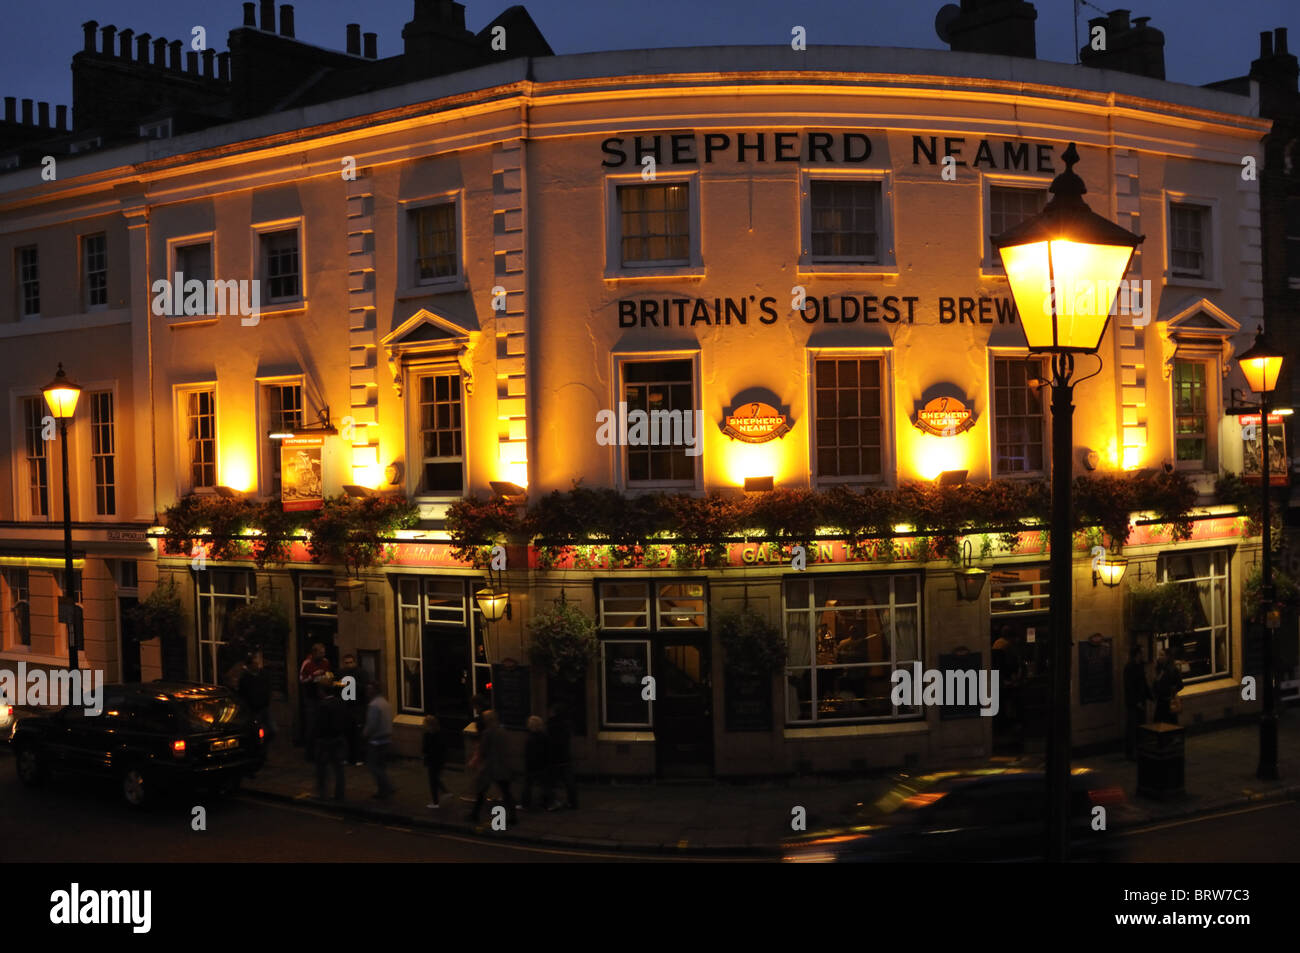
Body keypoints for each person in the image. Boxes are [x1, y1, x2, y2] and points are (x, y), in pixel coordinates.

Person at [468, 710, 516, 825]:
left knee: (481, 791)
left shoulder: (487, 733)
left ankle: (474, 815)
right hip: (503, 766)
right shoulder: (503, 731)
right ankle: (513, 817)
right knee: (506, 792)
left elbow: (483, 751)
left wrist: (475, 761)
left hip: (491, 767)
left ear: (487, 720)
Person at [314, 681, 348, 801]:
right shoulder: (340, 702)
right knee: (338, 768)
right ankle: (340, 794)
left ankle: (322, 793)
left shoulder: (322, 705)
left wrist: (316, 738)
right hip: (338, 738)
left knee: (322, 768)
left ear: (322, 691)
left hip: (325, 740)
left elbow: (320, 725)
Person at [298, 643, 332, 762]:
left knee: (322, 725)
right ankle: (310, 754)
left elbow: (327, 675)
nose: (323, 655)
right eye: (321, 653)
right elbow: (302, 679)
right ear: (314, 653)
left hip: (322, 696)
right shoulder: (307, 663)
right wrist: (313, 676)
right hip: (311, 698)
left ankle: (322, 752)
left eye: (324, 652)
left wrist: (326, 678)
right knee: (311, 726)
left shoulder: (325, 662)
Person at [363, 681, 396, 799]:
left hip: (376, 740)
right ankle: (384, 789)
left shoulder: (374, 705)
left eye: (369, 689)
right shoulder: (386, 703)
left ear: (374, 690)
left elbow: (371, 725)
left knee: (373, 766)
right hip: (386, 739)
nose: (367, 692)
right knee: (381, 766)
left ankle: (386, 788)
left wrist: (364, 735)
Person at [1123, 644, 1153, 759]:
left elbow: (1143, 683)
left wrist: (1149, 696)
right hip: (1134, 703)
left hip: (1141, 701)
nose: (1143, 655)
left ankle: (1140, 750)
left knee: (1141, 726)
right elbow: (1129, 687)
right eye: (1141, 653)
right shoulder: (1129, 667)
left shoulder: (1139, 666)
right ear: (1137, 654)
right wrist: (1136, 701)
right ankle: (1130, 752)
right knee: (1132, 727)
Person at [546, 703, 578, 811]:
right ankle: (573, 802)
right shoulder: (566, 724)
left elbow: (550, 741)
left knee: (552, 782)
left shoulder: (551, 724)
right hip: (565, 756)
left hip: (554, 757)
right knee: (569, 781)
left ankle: (554, 802)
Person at [238, 650, 275, 743]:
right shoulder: (245, 678)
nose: (257, 665)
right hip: (253, 710)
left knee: (272, 730)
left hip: (264, 707)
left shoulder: (263, 675)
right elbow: (242, 694)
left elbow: (268, 687)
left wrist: (267, 698)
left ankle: (263, 746)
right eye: (255, 663)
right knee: (255, 732)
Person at [338, 653, 366, 766]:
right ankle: (347, 757)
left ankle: (358, 757)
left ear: (354, 662)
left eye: (350, 662)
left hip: (357, 706)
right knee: (346, 733)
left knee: (357, 734)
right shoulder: (341, 673)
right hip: (345, 707)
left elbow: (364, 688)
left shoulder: (361, 673)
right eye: (346, 663)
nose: (349, 665)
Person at [521, 715, 550, 810]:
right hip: (543, 764)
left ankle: (526, 803)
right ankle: (545, 802)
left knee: (528, 785)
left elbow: (528, 753)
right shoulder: (544, 736)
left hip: (532, 765)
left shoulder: (530, 738)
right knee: (544, 785)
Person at [422, 715, 448, 809]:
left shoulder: (427, 735)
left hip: (432, 760)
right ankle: (445, 792)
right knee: (435, 778)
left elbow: (425, 748)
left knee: (432, 780)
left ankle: (435, 802)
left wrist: (425, 755)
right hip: (440, 759)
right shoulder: (440, 733)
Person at [1153, 650, 1184, 725]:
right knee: (1159, 723)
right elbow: (1155, 684)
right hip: (1161, 701)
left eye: (1162, 655)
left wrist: (1173, 691)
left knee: (1171, 723)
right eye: (1159, 655)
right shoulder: (1158, 669)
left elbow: (1180, 684)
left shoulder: (1173, 670)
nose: (1159, 657)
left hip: (1169, 700)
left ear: (1167, 657)